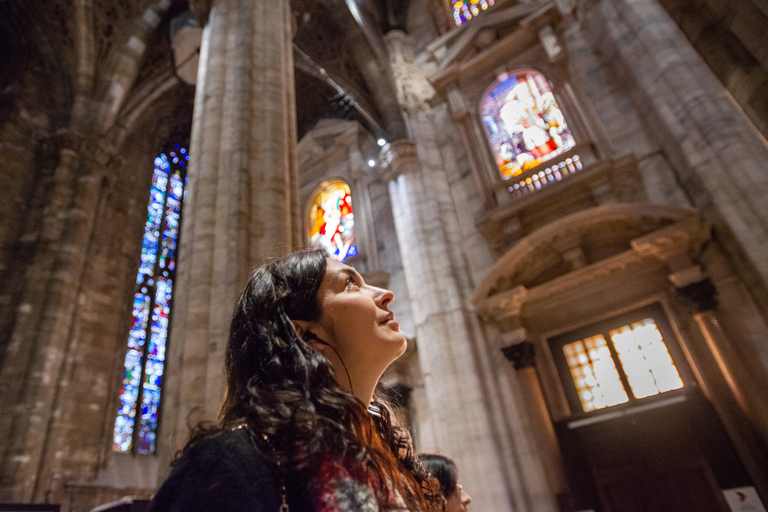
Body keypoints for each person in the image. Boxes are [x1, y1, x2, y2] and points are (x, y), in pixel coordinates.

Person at [149, 248, 440, 512]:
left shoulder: (389, 465)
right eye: (351, 284)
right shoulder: (229, 465)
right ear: (305, 335)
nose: (385, 294)